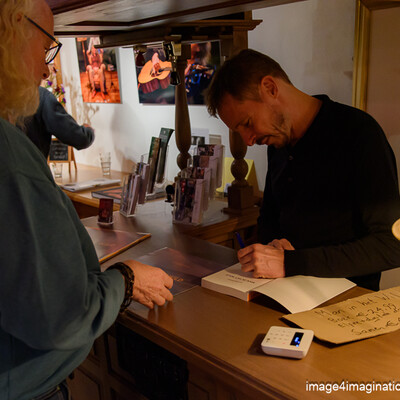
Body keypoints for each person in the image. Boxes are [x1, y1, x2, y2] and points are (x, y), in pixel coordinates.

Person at [0, 1, 173, 399]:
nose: (46, 70)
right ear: (12, 32)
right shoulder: (10, 160)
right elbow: (60, 318)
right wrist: (126, 280)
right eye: (45, 48)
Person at [205, 48, 400, 291]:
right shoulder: (277, 142)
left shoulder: (359, 134)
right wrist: (272, 246)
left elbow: (391, 246)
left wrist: (292, 262)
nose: (247, 140)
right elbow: (270, 219)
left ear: (270, 88)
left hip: (346, 301)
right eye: (239, 131)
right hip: (287, 292)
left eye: (247, 123)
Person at [21, 86, 95, 158]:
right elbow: (77, 137)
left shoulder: (11, 95)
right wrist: (88, 132)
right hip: (31, 168)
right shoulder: (41, 96)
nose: (46, 75)